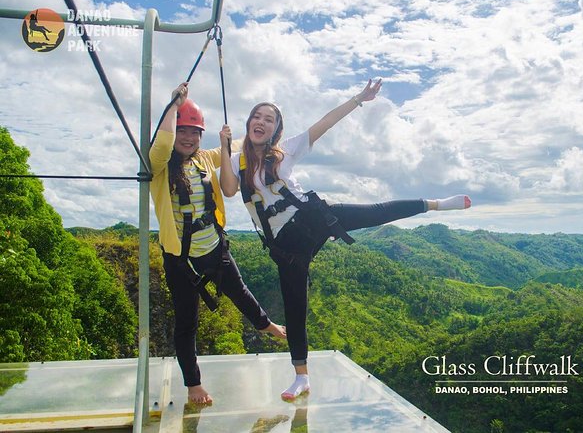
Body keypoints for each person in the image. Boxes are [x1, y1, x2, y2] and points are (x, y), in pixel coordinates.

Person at [218, 79, 471, 401]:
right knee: (294, 309)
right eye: (258, 116)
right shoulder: (237, 163)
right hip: (286, 247)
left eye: (269, 119)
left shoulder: (286, 151)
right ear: (248, 123)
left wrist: (359, 99)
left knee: (374, 213)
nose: (262, 122)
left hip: (312, 218)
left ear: (276, 129)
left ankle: (434, 204)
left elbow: (325, 123)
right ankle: (301, 377)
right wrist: (225, 148)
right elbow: (227, 189)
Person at [150, 82, 286, 405]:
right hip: (180, 260)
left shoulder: (206, 160)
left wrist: (258, 131)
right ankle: (193, 384)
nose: (188, 138)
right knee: (187, 321)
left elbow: (241, 144)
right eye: (183, 130)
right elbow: (164, 142)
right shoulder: (157, 166)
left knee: (240, 292)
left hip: (213, 247)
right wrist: (174, 105)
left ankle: (266, 324)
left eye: (194, 132)